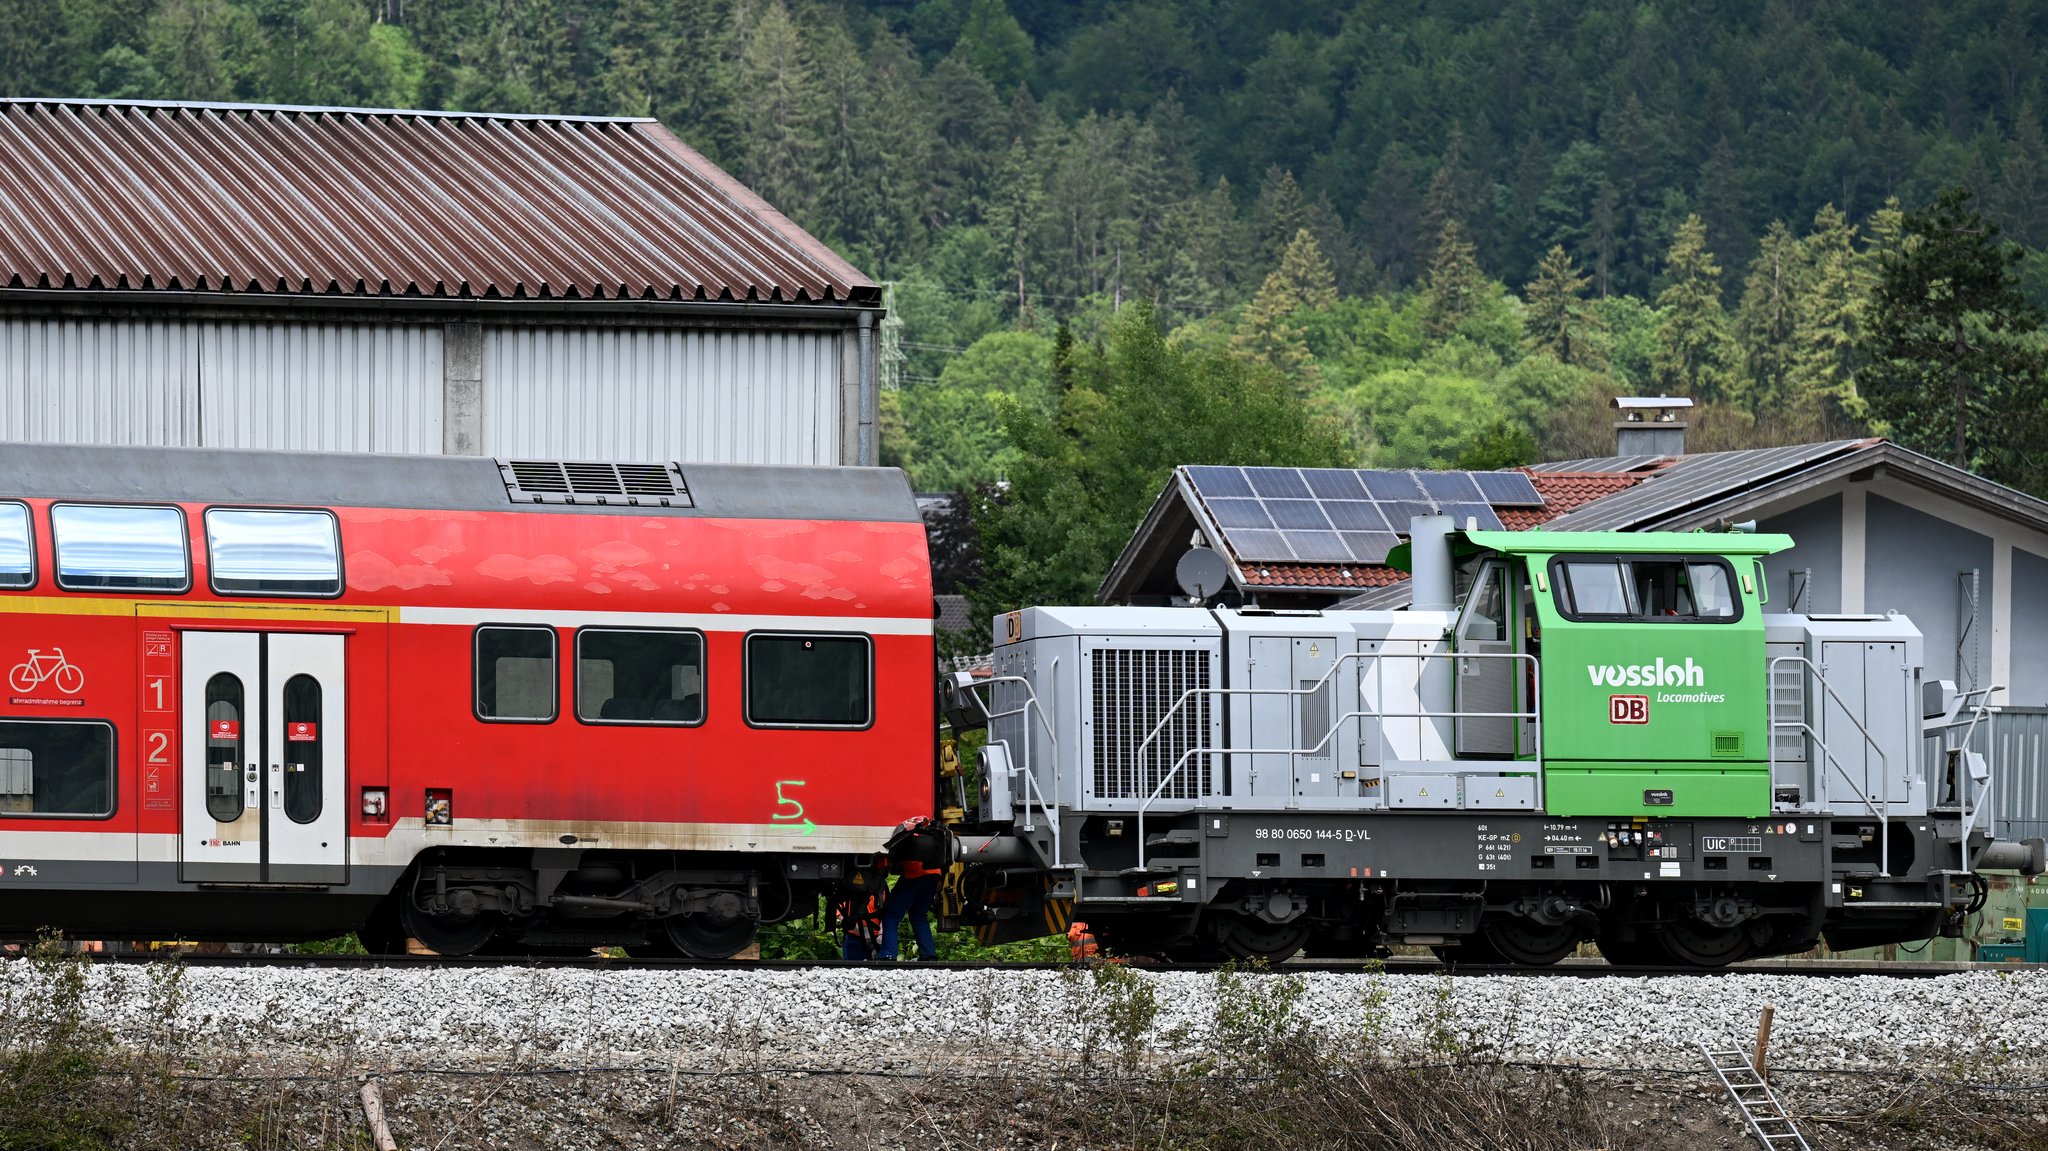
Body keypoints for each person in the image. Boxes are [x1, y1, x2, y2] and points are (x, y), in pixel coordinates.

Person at [879, 816, 947, 961]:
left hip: (915, 873)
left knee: (891, 914)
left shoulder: (907, 828)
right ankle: (928, 955)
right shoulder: (928, 829)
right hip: (934, 873)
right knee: (918, 914)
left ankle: (888, 954)